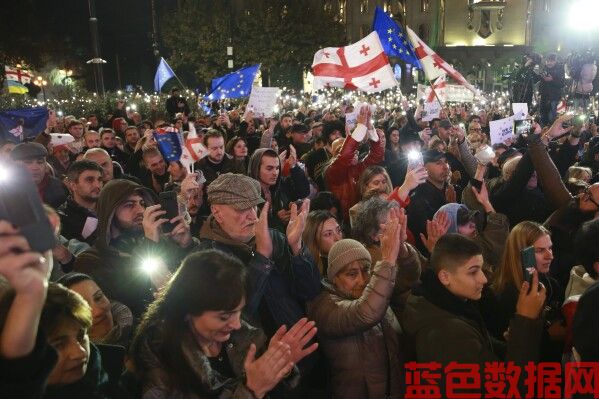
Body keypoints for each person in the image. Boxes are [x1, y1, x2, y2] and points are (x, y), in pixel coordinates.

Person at [130, 250, 318, 398]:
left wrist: (278, 368)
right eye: (224, 317)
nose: (237, 324)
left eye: (238, 312)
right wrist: (251, 391)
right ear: (187, 310)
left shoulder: (240, 336)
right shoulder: (160, 361)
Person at [198, 173, 321, 340]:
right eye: (241, 209)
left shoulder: (274, 238)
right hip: (261, 359)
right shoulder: (206, 259)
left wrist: (296, 247)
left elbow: (310, 291)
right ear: (217, 212)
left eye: (254, 206)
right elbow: (234, 319)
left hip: (303, 348)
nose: (253, 216)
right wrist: (262, 259)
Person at [402, 234, 545, 373]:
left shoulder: (451, 306)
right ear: (445, 277)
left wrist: (517, 338)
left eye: (481, 269)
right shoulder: (447, 333)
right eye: (473, 272)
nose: (483, 279)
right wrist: (525, 320)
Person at [307, 213, 404, 399]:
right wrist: (388, 262)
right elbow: (364, 313)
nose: (362, 280)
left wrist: (401, 250)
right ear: (334, 278)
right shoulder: (323, 307)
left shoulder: (374, 290)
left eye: (366, 270)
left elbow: (409, 279)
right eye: (351, 274)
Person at [73, 179, 197, 318]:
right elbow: (134, 298)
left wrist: (186, 246)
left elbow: (194, 283)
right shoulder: (90, 261)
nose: (141, 211)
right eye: (129, 205)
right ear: (110, 211)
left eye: (142, 204)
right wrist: (150, 244)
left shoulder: (160, 243)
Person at [491, 221, 564, 361]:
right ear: (522, 254)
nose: (550, 256)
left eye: (550, 248)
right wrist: (548, 335)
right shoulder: (503, 295)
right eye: (540, 250)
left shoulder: (551, 284)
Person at [324, 106, 385, 225]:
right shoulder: (332, 172)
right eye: (339, 151)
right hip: (343, 223)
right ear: (334, 156)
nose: (354, 154)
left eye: (355, 151)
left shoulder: (356, 169)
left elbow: (376, 155)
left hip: (363, 219)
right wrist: (360, 127)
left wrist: (370, 128)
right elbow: (345, 155)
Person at [57, 273, 133, 348]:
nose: (98, 312)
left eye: (98, 297)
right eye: (82, 307)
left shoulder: (140, 332)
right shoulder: (74, 358)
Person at [247, 147, 310, 233]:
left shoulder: (280, 185)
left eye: (277, 168)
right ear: (256, 169)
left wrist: (294, 166)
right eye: (269, 168)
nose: (275, 173)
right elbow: (251, 228)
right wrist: (277, 220)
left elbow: (304, 191)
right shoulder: (247, 194)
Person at [406, 148, 454, 255]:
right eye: (438, 163)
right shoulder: (418, 198)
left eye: (446, 162)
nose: (445, 167)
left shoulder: (452, 190)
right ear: (425, 168)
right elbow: (426, 233)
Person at [58, 160, 104, 245]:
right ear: (73, 185)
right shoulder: (61, 219)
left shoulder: (111, 207)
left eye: (100, 180)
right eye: (89, 180)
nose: (97, 185)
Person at [10, 142, 68, 209]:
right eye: (28, 162)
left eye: (40, 162)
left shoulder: (59, 189)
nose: (35, 167)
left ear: (46, 166)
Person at [302, 210, 342, 277]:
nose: (338, 239)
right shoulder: (312, 273)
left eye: (338, 230)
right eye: (328, 234)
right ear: (314, 240)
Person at [539, 54, 565, 127]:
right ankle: (544, 133)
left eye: (551, 61)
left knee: (552, 118)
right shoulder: (544, 69)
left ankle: (552, 135)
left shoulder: (560, 69)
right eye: (547, 61)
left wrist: (552, 80)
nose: (549, 63)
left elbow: (562, 84)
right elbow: (541, 82)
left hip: (554, 98)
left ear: (555, 61)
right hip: (544, 97)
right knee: (543, 117)